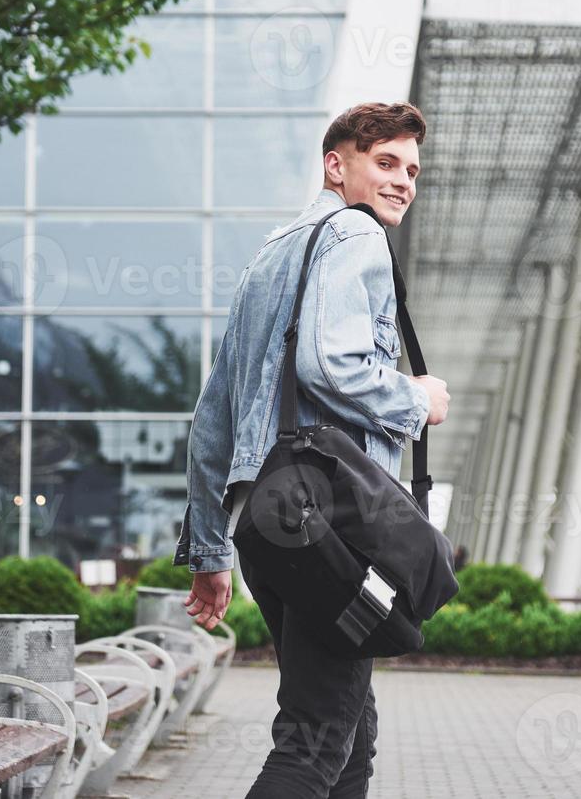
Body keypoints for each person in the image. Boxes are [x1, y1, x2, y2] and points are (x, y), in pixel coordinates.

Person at [172, 101, 450, 798]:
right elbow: (328, 364)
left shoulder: (271, 255)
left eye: (411, 169)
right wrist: (418, 399)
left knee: (348, 724)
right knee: (316, 735)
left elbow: (212, 420)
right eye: (385, 162)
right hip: (330, 520)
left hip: (267, 523)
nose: (402, 181)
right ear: (336, 165)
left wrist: (210, 554)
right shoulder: (353, 235)